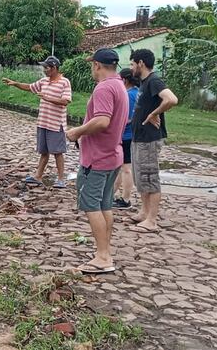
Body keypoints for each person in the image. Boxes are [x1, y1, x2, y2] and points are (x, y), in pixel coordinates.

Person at [65, 48, 128, 274]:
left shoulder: (104, 88)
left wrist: (78, 132)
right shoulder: (120, 85)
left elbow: (102, 121)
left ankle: (103, 257)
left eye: (92, 64)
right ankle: (104, 251)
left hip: (97, 159)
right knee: (105, 205)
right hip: (113, 155)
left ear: (97, 65)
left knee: (91, 205)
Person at [128, 49, 178, 233]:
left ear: (141, 63)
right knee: (140, 177)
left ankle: (152, 220)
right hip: (139, 136)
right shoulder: (144, 83)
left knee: (150, 177)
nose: (131, 67)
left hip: (149, 138)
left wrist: (154, 113)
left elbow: (171, 99)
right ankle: (144, 212)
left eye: (132, 64)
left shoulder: (154, 80)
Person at [3, 56, 72, 189]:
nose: (45, 70)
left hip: (56, 124)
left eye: (46, 68)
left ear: (54, 68)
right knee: (44, 152)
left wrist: (47, 98)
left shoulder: (65, 82)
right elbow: (30, 87)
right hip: (43, 123)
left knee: (58, 152)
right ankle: (38, 176)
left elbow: (65, 101)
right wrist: (15, 83)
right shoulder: (44, 81)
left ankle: (61, 179)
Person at [113, 68, 140, 209]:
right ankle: (112, 194)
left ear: (124, 80)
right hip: (131, 134)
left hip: (126, 135)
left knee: (125, 168)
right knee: (119, 167)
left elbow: (127, 118)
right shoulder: (137, 92)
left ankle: (126, 199)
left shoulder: (128, 95)